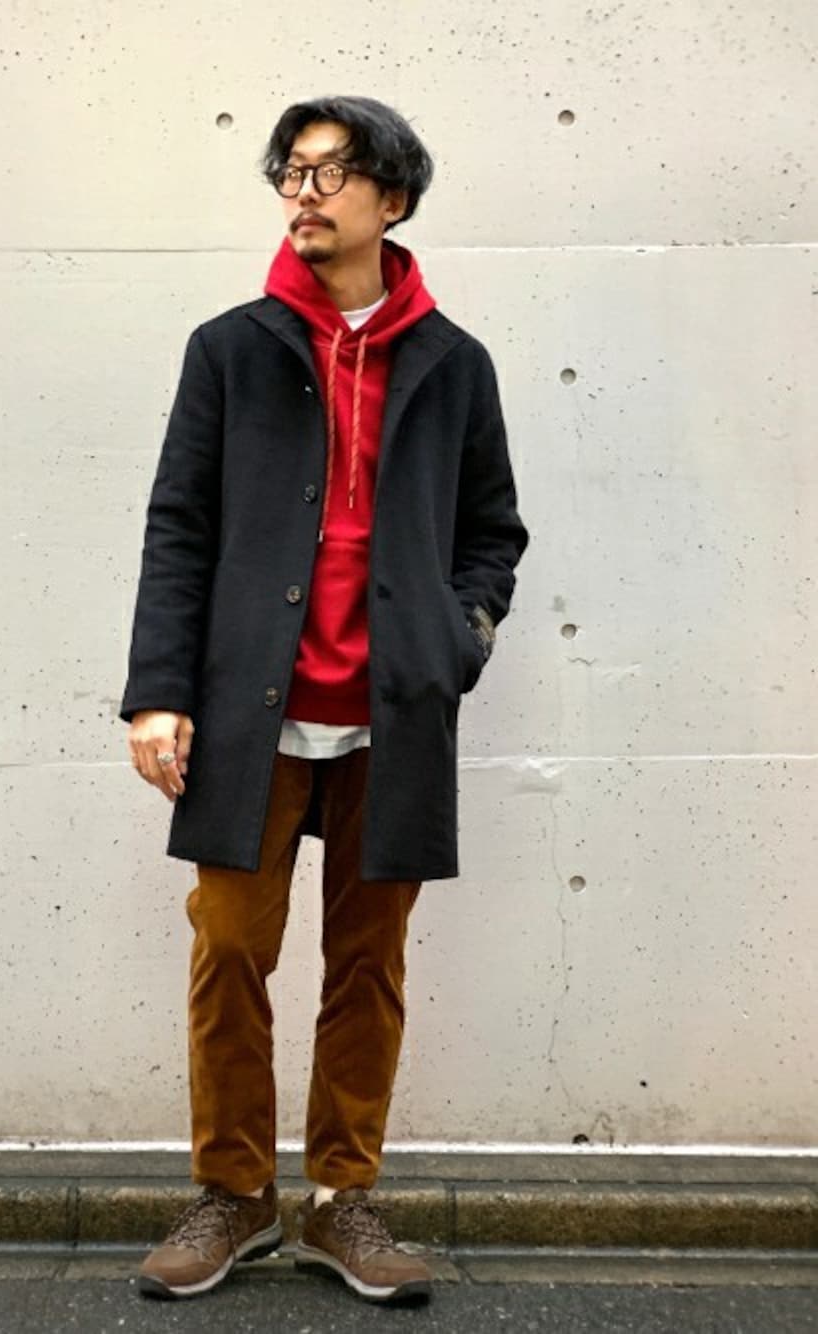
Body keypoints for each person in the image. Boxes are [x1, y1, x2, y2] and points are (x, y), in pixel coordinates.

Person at [120, 94, 529, 1305]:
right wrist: (157, 691)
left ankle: (341, 1197)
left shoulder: (453, 363)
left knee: (367, 963)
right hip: (248, 708)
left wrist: (456, 639)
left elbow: (493, 531)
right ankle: (234, 1193)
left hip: (393, 709)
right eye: (290, 173)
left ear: (390, 199)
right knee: (228, 950)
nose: (303, 193)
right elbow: (178, 525)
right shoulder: (231, 348)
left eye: (331, 173)